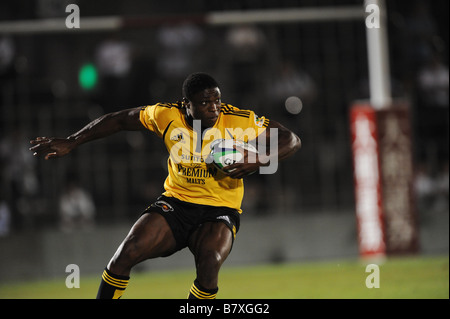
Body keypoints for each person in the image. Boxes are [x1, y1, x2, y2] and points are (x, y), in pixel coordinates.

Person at [29, 72, 301, 299]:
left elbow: (291, 139)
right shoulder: (165, 115)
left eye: (217, 100)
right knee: (126, 253)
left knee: (210, 262)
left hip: (220, 209)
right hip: (176, 203)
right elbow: (120, 120)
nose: (214, 107)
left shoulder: (239, 120)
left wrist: (259, 159)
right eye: (205, 102)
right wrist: (73, 140)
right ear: (187, 104)